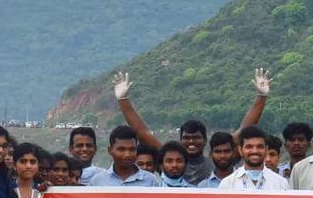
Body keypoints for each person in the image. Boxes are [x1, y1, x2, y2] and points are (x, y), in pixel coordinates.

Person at [111, 68, 272, 186]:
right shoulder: (169, 159)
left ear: (204, 141)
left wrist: (262, 96)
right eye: (187, 138)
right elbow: (142, 133)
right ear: (180, 140)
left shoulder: (216, 160)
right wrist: (123, 100)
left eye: (196, 138)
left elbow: (245, 129)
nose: (191, 142)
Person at [218, 127, 288, 191]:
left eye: (259, 146)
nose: (255, 151)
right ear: (240, 150)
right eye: (249, 147)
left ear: (266, 149)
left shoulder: (281, 183)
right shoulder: (227, 184)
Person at [89, 127, 160, 187]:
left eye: (132, 149)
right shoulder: (97, 182)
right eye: (121, 149)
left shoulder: (151, 181)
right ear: (110, 150)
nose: (127, 155)